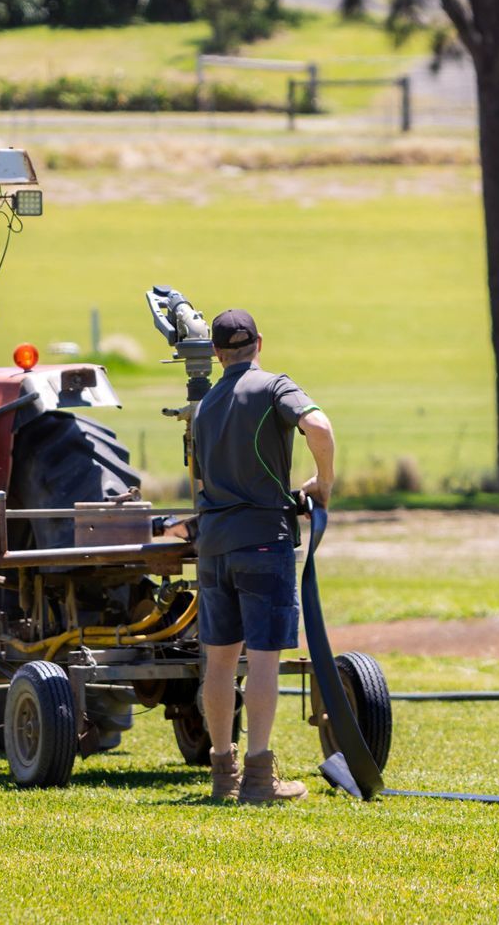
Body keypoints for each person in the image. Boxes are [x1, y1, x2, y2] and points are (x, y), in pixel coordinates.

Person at [189, 308, 336, 804]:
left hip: (212, 545)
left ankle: (222, 772)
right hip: (263, 540)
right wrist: (324, 483)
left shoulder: (205, 405)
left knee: (220, 662)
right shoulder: (275, 387)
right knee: (265, 660)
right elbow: (319, 426)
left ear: (215, 353)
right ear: (259, 344)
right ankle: (258, 776)